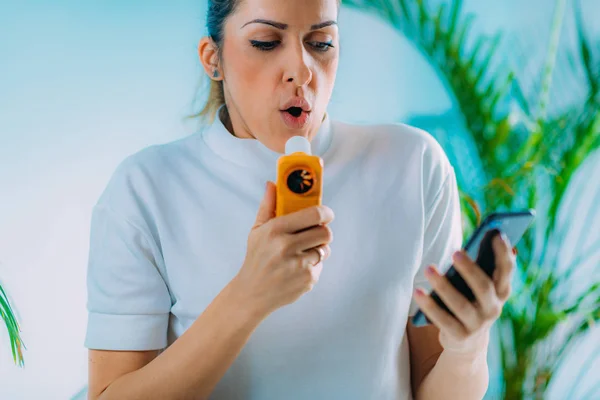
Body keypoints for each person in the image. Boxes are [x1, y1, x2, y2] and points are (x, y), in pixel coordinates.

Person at [84, 0, 517, 399]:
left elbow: (432, 385)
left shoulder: (413, 164)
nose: (301, 69)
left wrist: (467, 346)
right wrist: (248, 297)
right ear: (212, 58)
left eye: (321, 43)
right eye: (266, 42)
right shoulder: (144, 189)